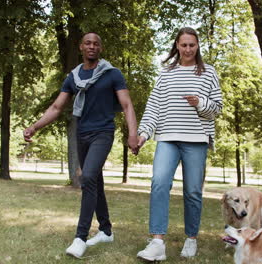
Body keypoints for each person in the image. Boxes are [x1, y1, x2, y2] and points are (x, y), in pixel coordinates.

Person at [23, 32, 139, 259]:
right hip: (82, 135)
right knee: (94, 180)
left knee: (87, 178)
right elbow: (57, 108)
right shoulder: (74, 77)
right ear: (81, 47)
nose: (92, 46)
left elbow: (126, 105)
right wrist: (35, 127)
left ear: (101, 48)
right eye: (88, 43)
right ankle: (106, 230)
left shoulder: (112, 74)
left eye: (96, 43)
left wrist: (132, 134)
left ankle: (80, 237)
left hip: (103, 133)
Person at [136, 27, 223, 261]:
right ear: (177, 45)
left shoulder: (209, 73)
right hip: (167, 138)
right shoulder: (166, 74)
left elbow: (217, 108)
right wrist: (143, 134)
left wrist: (200, 102)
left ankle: (191, 238)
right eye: (183, 45)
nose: (187, 49)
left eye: (192, 45)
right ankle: (157, 243)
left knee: (192, 191)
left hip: (196, 140)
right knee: (159, 183)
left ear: (197, 46)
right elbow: (153, 106)